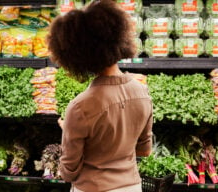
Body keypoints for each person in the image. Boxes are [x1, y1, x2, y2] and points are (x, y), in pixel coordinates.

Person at [47, 0, 153, 191]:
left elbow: (68, 172)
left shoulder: (80, 107)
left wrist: (68, 129)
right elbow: (144, 151)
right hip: (132, 186)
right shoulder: (142, 92)